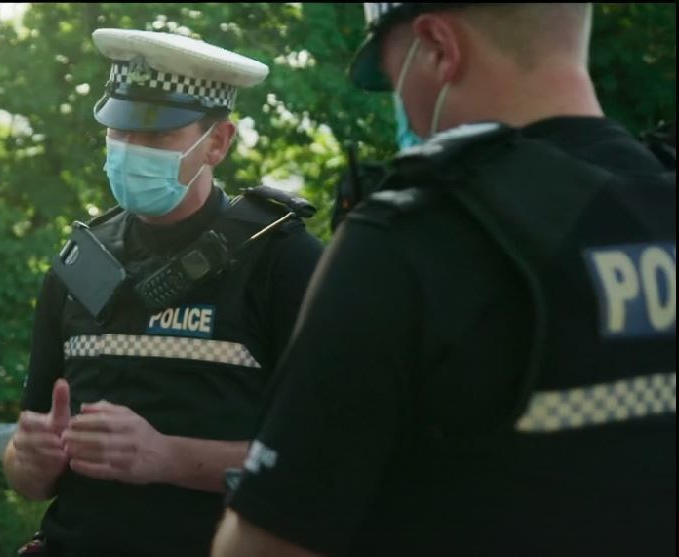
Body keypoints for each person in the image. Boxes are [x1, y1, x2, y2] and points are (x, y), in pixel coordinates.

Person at [213, 3, 675, 556]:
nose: (399, 107)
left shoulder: (407, 241)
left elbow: (264, 547)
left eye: (389, 80)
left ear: (438, 48)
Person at [4, 28, 324, 556]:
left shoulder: (280, 261)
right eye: (119, 134)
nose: (130, 152)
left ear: (217, 142)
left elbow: (322, 460)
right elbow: (26, 473)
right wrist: (28, 460)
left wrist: (169, 457)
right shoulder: (80, 265)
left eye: (156, 139)